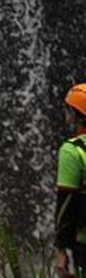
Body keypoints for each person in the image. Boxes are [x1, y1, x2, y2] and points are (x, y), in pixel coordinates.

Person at [55, 83, 86, 278]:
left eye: (67, 108)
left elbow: (65, 204)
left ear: (75, 114)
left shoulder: (72, 150)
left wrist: (61, 250)